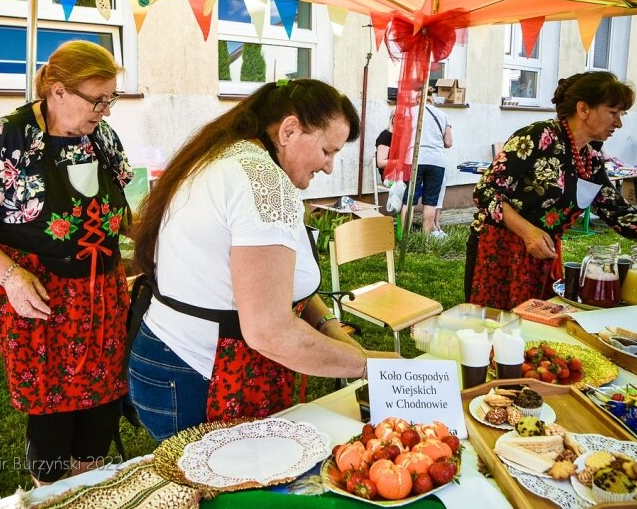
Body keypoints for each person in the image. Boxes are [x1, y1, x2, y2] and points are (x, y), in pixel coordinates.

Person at [128, 79, 399, 442]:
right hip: (202, 377)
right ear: (289, 130)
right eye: (327, 150)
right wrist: (369, 366)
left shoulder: (228, 155)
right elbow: (269, 330)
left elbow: (277, 280)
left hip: (169, 358)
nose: (330, 167)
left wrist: (328, 326)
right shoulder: (264, 183)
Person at [0, 41, 133, 485]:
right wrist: (10, 277)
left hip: (101, 295)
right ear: (57, 90)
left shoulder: (102, 137)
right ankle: (50, 491)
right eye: (97, 99)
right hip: (39, 300)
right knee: (52, 416)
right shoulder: (12, 137)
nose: (105, 111)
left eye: (111, 99)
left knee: (101, 408)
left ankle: (89, 483)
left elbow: (122, 211)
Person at [464, 71, 637, 310]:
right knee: (492, 330)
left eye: (621, 114)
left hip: (542, 253)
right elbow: (486, 191)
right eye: (613, 113)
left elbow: (618, 212)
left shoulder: (590, 158)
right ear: (583, 109)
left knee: (532, 330)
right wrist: (527, 231)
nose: (619, 123)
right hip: (498, 251)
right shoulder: (539, 136)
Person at [401, 87, 453, 237]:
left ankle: (406, 237)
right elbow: (448, 142)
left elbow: (403, 138)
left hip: (415, 158)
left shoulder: (410, 112)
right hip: (437, 161)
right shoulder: (443, 115)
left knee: (409, 200)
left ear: (417, 98)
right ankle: (425, 239)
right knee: (431, 201)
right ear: (433, 99)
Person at [375, 110, 395, 182]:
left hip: (403, 175)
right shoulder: (385, 136)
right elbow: (381, 163)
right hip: (389, 177)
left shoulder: (404, 136)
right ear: (394, 119)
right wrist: (401, 162)